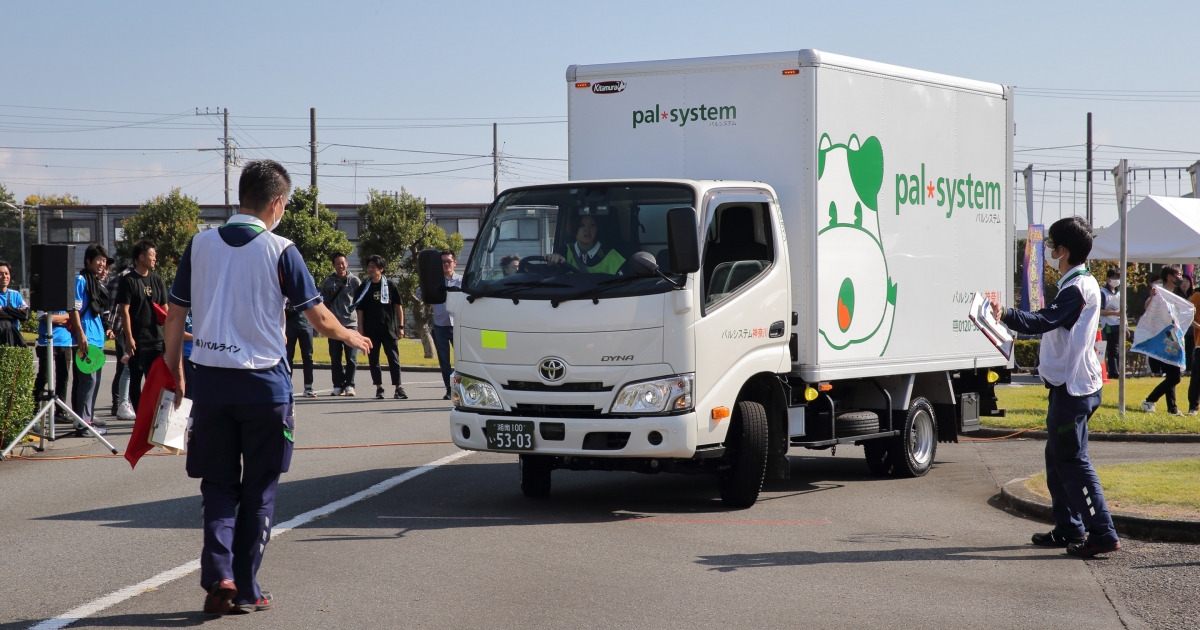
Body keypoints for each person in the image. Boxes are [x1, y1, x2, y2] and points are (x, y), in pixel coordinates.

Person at [164, 159, 371, 615]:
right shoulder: (281, 249)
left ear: (243, 196)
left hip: (212, 384)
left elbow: (175, 314)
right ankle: (248, 587)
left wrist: (175, 369)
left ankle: (219, 575)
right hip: (264, 388)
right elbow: (316, 317)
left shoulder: (199, 245)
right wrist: (350, 335)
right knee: (259, 490)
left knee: (218, 487)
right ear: (276, 202)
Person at [992, 216, 1120, 557]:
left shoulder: (1077, 288)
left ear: (1064, 250)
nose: (1048, 250)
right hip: (1073, 384)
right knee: (1057, 457)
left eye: (1051, 245)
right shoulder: (1079, 282)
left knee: (1072, 460)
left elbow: (1043, 321)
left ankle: (1102, 532)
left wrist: (1003, 313)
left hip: (1073, 388)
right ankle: (1069, 527)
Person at [67, 245, 113, 436]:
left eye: (104, 260)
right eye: (98, 260)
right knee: (88, 382)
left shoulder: (96, 282)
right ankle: (82, 424)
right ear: (88, 261)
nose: (102, 264)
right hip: (86, 339)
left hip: (97, 338)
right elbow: (74, 309)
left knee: (94, 381)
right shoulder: (81, 280)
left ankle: (88, 420)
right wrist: (81, 334)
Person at [117, 239, 167, 411]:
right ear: (140, 257)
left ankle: (153, 415)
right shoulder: (128, 280)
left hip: (156, 339)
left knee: (155, 380)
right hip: (137, 339)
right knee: (136, 378)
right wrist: (129, 338)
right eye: (151, 255)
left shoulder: (158, 280)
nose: (155, 258)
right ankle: (140, 414)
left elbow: (165, 310)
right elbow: (124, 311)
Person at [354, 255, 407, 400]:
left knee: (394, 359)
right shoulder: (364, 287)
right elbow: (360, 310)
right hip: (371, 329)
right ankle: (379, 388)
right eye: (369, 266)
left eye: (374, 267)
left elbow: (398, 307)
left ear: (381, 269)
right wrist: (360, 328)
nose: (371, 269)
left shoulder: (391, 285)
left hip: (388, 329)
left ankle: (398, 388)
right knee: (373, 360)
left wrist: (401, 326)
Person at [416, 249, 461, 399]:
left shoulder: (462, 281)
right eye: (442, 262)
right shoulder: (434, 280)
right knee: (444, 361)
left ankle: (462, 389)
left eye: (448, 261)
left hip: (459, 325)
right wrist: (430, 301)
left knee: (461, 360)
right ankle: (449, 389)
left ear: (455, 263)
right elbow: (419, 292)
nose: (446, 264)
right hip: (440, 324)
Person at [1141, 265, 1183, 415]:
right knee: (1175, 376)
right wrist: (1152, 296)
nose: (1180, 277)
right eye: (1177, 274)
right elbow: (1147, 308)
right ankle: (1149, 400)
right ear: (1169, 277)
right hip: (1162, 338)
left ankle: (1172, 409)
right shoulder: (1160, 292)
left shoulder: (1174, 295)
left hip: (1173, 337)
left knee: (1172, 375)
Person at [320, 253, 360, 396]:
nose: (341, 266)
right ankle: (338, 385)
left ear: (347, 264)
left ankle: (350, 384)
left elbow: (360, 302)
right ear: (333, 265)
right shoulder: (328, 282)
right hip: (334, 324)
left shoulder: (354, 281)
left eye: (343, 263)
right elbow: (323, 303)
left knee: (351, 357)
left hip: (350, 323)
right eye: (338, 263)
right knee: (335, 357)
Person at [546, 213, 625, 273]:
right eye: (582, 225)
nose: (587, 229)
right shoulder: (565, 251)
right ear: (573, 227)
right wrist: (553, 260)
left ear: (598, 228)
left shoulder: (611, 255)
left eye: (592, 224)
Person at [106, 261, 135, 419]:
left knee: (123, 367)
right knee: (126, 367)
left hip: (123, 330)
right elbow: (114, 307)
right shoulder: (124, 278)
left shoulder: (119, 279)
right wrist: (111, 327)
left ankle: (120, 403)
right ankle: (120, 403)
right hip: (124, 330)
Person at [285, 297, 315, 398]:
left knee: (308, 357)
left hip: (306, 325)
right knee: (288, 357)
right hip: (290, 326)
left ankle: (308, 387)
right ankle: (287, 386)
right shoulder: (287, 286)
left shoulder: (307, 286)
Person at [0, 260, 30, 347]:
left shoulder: (16, 295)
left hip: (13, 341)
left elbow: (26, 315)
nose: (4, 276)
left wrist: (5, 309)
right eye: (1, 273)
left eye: (6, 273)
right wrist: (16, 313)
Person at [1098, 268, 1121, 379]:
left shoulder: (1119, 293)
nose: (1116, 280)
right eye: (1114, 278)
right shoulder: (1102, 293)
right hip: (1108, 326)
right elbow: (1100, 311)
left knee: (1119, 350)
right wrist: (1115, 313)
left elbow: (1124, 311)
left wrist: (1125, 326)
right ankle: (1114, 372)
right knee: (1113, 350)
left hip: (1119, 325)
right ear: (1108, 279)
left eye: (1118, 278)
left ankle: (1119, 370)